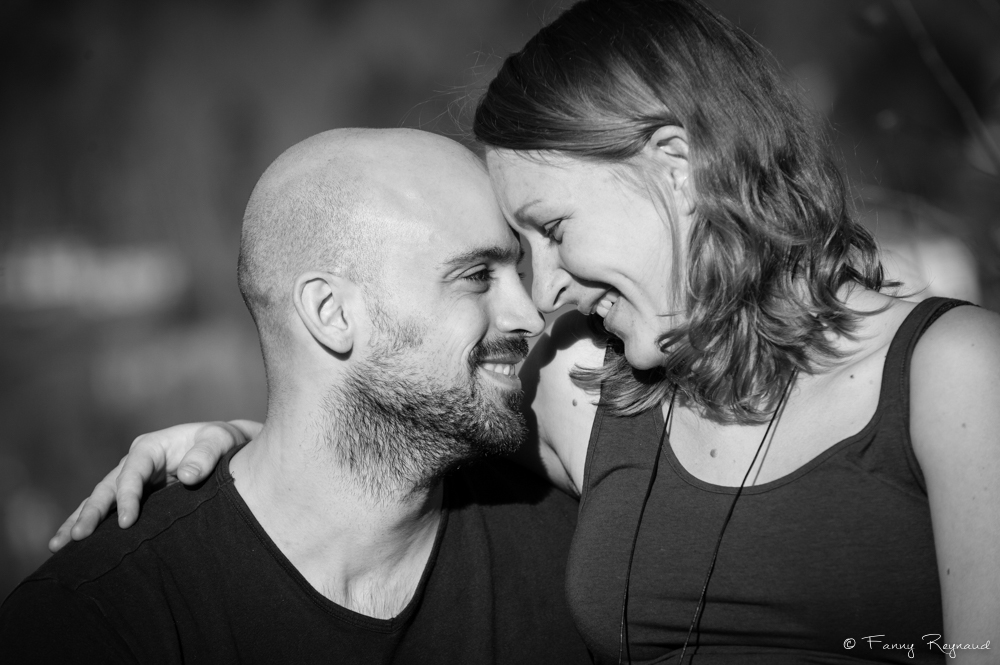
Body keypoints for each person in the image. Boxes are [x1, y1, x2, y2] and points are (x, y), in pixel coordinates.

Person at [52, 0, 1000, 663]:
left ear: (674, 169)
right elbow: (391, 409)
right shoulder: (602, 400)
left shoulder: (949, 373)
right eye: (499, 261)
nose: (542, 293)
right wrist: (227, 451)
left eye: (548, 231)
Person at [0, 129, 592, 664]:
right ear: (331, 313)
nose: (529, 315)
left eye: (515, 271)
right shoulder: (102, 622)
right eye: (477, 276)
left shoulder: (579, 560)